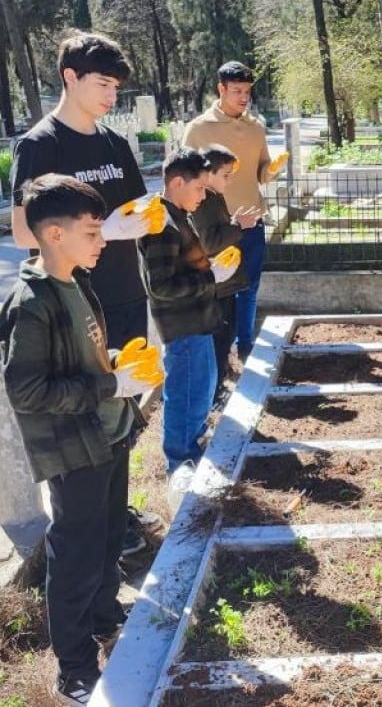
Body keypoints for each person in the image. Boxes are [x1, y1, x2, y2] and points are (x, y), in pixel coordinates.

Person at [0, 174, 162, 706]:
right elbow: (26, 390)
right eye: (92, 232)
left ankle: (106, 616)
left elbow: (82, 357)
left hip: (107, 435)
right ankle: (73, 668)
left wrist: (115, 365)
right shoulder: (31, 302)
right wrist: (110, 383)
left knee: (110, 537)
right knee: (76, 557)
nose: (101, 241)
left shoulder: (76, 281)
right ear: (52, 233)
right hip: (74, 449)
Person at [10, 30, 159, 556]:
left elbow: (138, 211)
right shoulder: (40, 146)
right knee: (83, 411)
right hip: (70, 304)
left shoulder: (115, 145)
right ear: (69, 78)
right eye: (102, 84)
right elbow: (23, 233)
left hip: (122, 293)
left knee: (122, 409)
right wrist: (105, 230)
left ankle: (116, 511)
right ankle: (81, 529)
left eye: (117, 87)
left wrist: (138, 223)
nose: (111, 96)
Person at [136, 149, 241, 502]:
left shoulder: (177, 214)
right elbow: (161, 287)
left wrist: (209, 270)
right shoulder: (160, 223)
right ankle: (181, 467)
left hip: (198, 320)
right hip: (183, 325)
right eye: (199, 188)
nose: (203, 196)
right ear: (177, 182)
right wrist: (211, 277)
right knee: (186, 395)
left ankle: (193, 455)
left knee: (201, 392)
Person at [181, 60, 287, 364]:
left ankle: (245, 343)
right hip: (213, 225)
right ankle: (218, 350)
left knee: (249, 285)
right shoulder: (199, 129)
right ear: (221, 89)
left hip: (251, 220)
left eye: (247, 91)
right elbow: (186, 175)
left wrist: (273, 169)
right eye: (237, 91)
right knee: (217, 287)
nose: (244, 97)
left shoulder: (256, 127)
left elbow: (261, 174)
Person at [190, 144, 249, 393]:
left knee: (225, 337)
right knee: (218, 340)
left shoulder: (213, 197)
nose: (230, 180)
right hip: (216, 284)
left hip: (224, 283)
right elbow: (209, 242)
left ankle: (219, 383)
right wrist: (237, 226)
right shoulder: (203, 201)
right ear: (209, 173)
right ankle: (213, 391)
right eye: (225, 174)